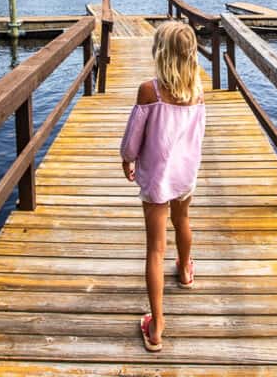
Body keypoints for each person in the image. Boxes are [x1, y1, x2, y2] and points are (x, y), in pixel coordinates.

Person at [119, 20, 207, 353]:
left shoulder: (149, 91)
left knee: (156, 249)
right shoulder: (197, 90)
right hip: (185, 175)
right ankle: (185, 271)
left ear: (160, 53)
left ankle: (156, 327)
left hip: (157, 178)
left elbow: (133, 138)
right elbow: (198, 135)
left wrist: (127, 159)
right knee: (182, 221)